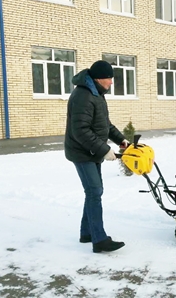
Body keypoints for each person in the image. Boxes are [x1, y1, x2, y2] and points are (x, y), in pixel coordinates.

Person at [64, 60, 130, 253]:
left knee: (93, 192)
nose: (111, 82)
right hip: (82, 152)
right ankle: (99, 239)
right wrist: (103, 149)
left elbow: (104, 124)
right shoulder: (83, 95)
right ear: (99, 78)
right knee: (95, 191)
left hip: (91, 151)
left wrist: (121, 140)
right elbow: (80, 131)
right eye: (109, 78)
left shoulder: (97, 94)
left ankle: (87, 233)